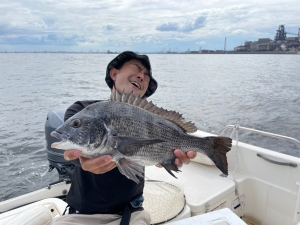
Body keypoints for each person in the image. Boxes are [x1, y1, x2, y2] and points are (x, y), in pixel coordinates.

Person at [52, 51, 196, 225]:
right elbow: (74, 154)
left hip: (132, 213)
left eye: (146, 75)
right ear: (114, 73)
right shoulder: (82, 110)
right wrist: (78, 158)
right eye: (137, 69)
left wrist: (165, 159)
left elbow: (149, 153)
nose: (142, 76)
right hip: (81, 215)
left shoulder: (151, 120)